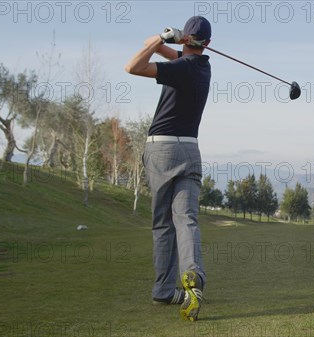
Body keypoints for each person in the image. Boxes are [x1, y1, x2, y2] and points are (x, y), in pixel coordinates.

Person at [124, 16, 211, 321]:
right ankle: (193, 279)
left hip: (161, 149)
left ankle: (163, 289)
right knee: (185, 219)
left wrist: (159, 40)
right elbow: (176, 56)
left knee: (163, 223)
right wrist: (171, 42)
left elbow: (132, 67)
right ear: (207, 44)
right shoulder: (203, 67)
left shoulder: (180, 67)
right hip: (190, 148)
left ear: (186, 38)